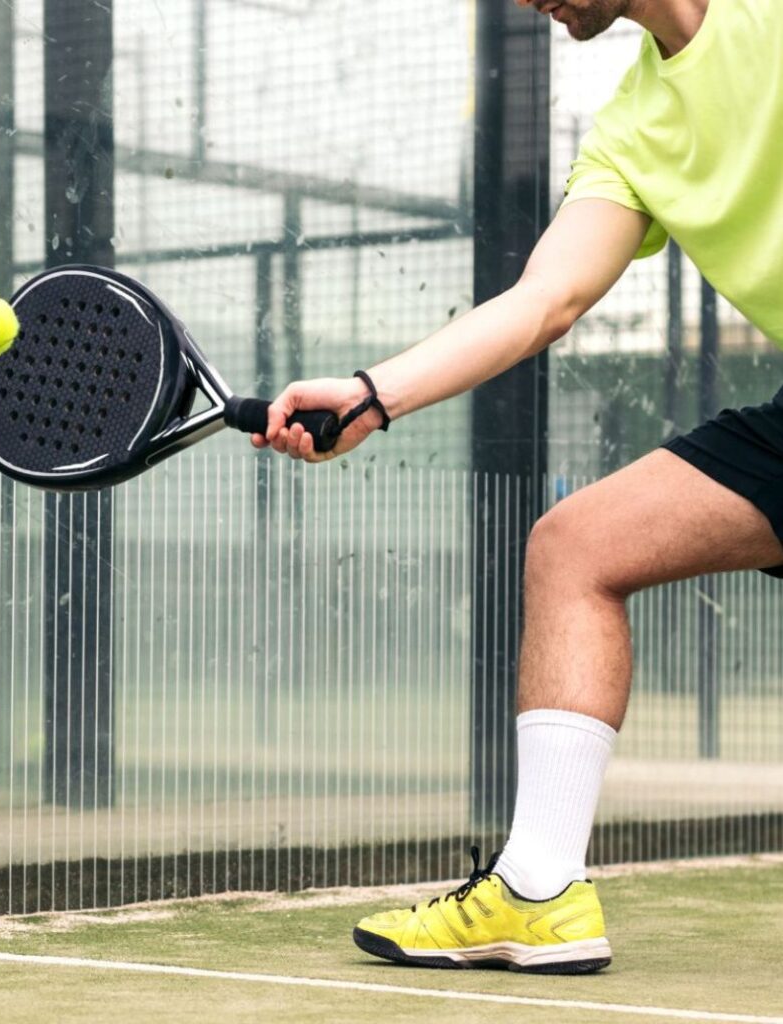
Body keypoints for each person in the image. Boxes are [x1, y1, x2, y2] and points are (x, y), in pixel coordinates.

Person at [252, 0, 783, 974]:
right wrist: (374, 395)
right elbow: (544, 300)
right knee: (575, 547)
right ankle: (539, 890)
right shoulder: (633, 131)